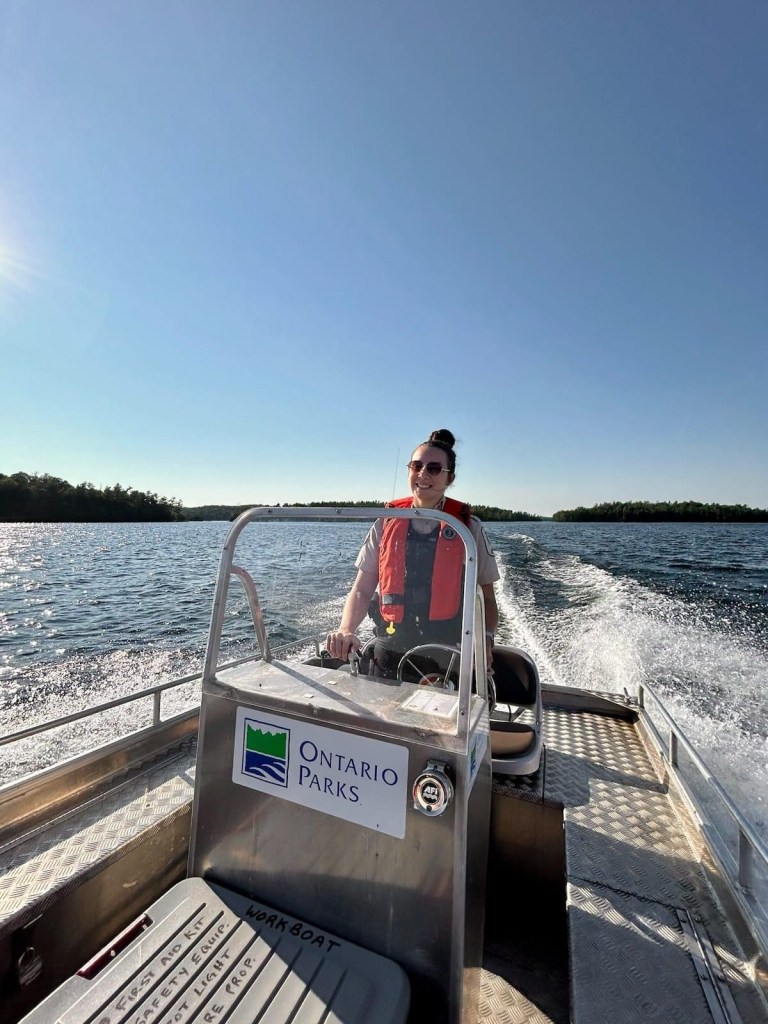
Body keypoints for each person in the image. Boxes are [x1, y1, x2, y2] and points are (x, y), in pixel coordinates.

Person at [326, 428, 500, 679]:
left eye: (434, 468)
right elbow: (362, 590)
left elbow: (488, 598)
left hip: (450, 654)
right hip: (391, 647)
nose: (423, 474)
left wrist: (484, 640)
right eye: (416, 466)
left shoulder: (468, 528)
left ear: (449, 478)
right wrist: (346, 628)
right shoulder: (385, 523)